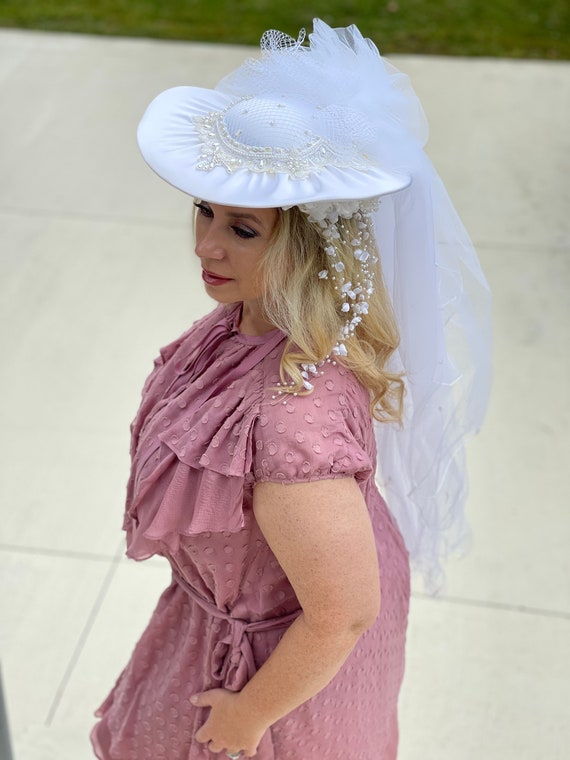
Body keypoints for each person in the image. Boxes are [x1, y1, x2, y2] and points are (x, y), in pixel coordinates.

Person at [91, 19, 491, 760]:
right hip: (227, 611)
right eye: (204, 211)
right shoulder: (244, 323)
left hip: (280, 678)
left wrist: (248, 717)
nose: (206, 244)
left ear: (307, 253)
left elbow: (341, 612)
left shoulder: (291, 422)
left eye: (244, 230)